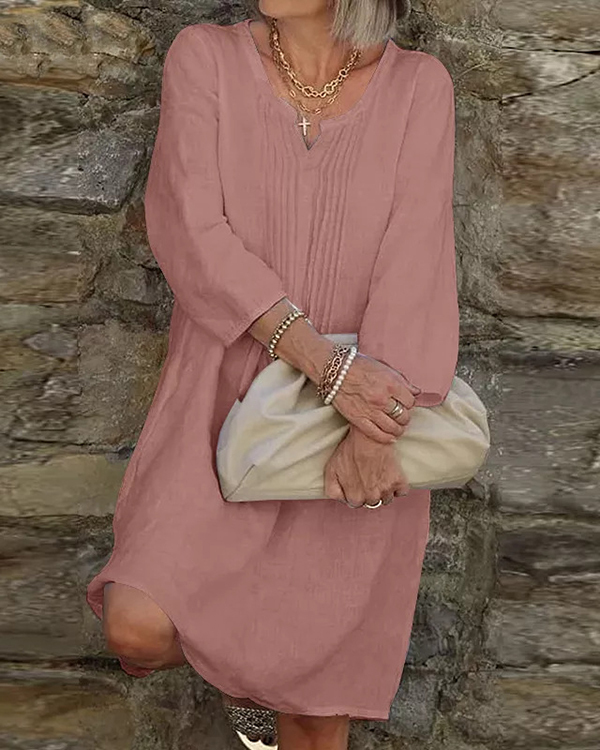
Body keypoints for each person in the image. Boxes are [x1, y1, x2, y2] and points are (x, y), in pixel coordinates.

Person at [86, 0, 459, 748]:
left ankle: (271, 686)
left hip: (361, 411)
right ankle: (248, 677)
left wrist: (373, 425)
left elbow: (417, 261)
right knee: (138, 625)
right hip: (218, 395)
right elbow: (189, 228)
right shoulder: (205, 57)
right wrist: (326, 366)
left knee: (315, 715)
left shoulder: (419, 85)